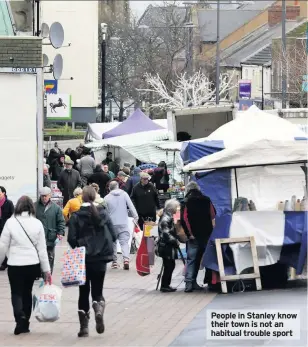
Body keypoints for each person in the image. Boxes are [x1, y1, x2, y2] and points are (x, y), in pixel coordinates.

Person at [68, 186, 116, 338]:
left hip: (83, 258)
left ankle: (84, 328)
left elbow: (71, 238)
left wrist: (79, 246)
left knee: (83, 292)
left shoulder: (76, 216)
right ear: (95, 197)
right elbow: (113, 235)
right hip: (100, 258)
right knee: (97, 290)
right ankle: (98, 306)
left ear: (81, 197)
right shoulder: (103, 213)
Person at [0, 196, 51, 335]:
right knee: (27, 292)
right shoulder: (37, 223)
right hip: (32, 264)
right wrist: (47, 270)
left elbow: (2, 246)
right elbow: (42, 249)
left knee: (16, 292)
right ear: (31, 207)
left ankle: (19, 317)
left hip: (15, 264)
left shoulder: (10, 223)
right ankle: (26, 323)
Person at [180, 181, 216, 293]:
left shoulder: (186, 202)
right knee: (208, 258)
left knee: (192, 260)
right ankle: (211, 282)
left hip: (193, 236)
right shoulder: (207, 200)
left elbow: (184, 219)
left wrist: (189, 234)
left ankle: (189, 283)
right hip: (207, 234)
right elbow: (213, 214)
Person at [105, 181, 138, 270]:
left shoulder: (106, 198)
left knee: (113, 243)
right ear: (118, 186)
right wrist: (136, 217)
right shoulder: (124, 194)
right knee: (124, 242)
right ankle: (126, 260)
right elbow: (131, 206)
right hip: (123, 222)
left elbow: (105, 212)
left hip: (112, 224)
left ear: (109, 188)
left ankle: (115, 262)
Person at [35, 187, 65, 273]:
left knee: (50, 256)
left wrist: (60, 232)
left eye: (46, 196)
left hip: (50, 237)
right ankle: (38, 273)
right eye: (42, 196)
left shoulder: (56, 208)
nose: (44, 198)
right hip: (38, 237)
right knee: (38, 256)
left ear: (50, 195)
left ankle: (48, 274)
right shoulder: (35, 206)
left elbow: (61, 221)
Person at [156, 199, 180, 292]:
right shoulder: (166, 218)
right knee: (169, 265)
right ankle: (165, 285)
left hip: (167, 245)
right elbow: (166, 233)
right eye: (175, 207)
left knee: (170, 264)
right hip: (166, 246)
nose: (176, 209)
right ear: (171, 208)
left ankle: (166, 284)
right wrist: (175, 241)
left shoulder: (167, 216)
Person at [0, 186, 14, 271]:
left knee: (4, 246)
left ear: (3, 193)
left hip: (5, 227)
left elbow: (12, 216)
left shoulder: (9, 203)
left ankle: (4, 263)